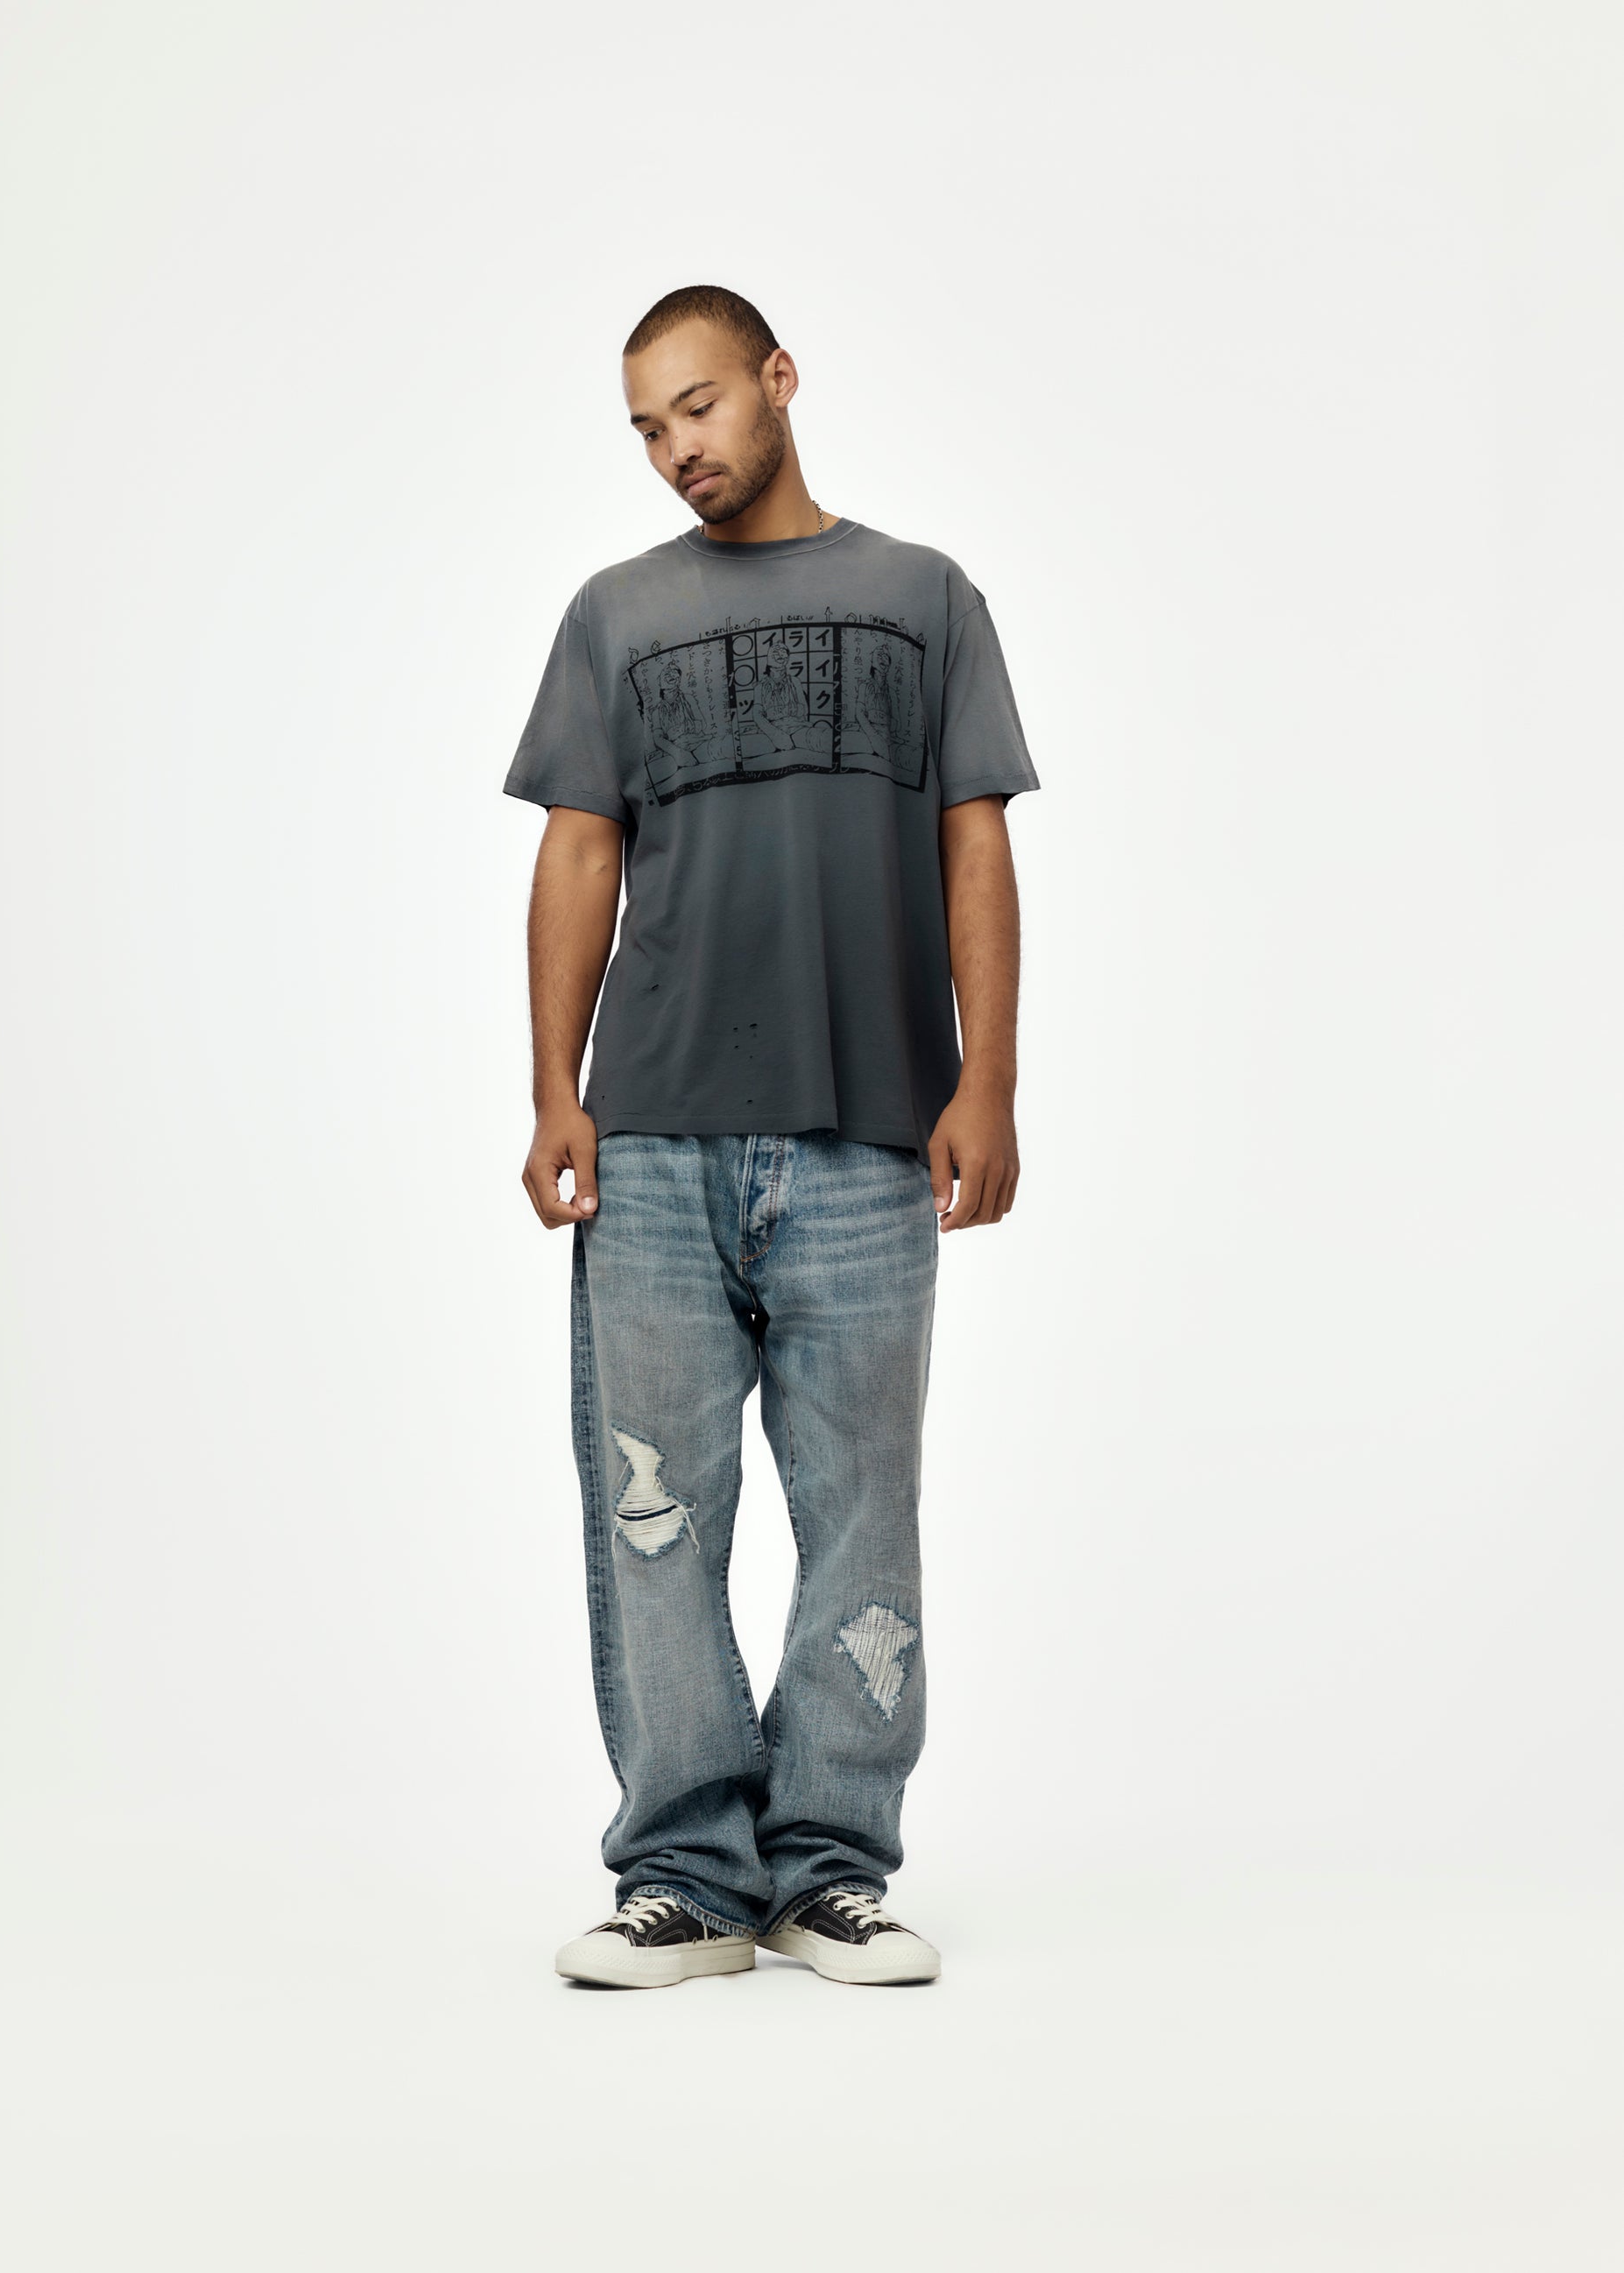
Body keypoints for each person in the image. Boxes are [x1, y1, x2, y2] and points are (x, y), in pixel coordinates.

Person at [503, 284, 1040, 1988]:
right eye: (647, 428)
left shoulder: (923, 598)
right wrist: (554, 1091)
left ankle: (829, 1868)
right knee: (651, 1512)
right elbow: (578, 852)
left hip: (869, 1138)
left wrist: (986, 1083)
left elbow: (973, 842)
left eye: (699, 406)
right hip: (655, 1137)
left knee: (862, 1508)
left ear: (778, 380)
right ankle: (683, 1874)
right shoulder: (614, 614)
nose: (677, 448)